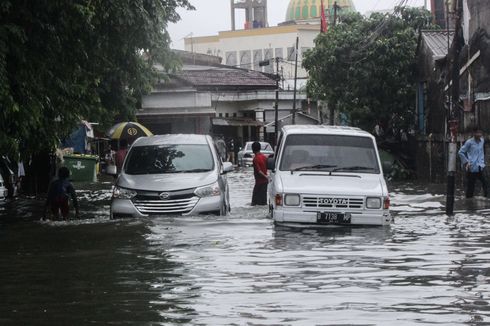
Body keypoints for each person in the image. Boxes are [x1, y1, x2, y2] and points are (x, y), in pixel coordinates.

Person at [458, 128, 488, 198]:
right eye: (477, 133)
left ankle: (487, 199)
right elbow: (460, 152)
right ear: (473, 133)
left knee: (486, 183)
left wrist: (483, 162)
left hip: (481, 166)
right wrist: (466, 162)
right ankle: (469, 203)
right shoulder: (469, 142)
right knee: (470, 188)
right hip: (472, 168)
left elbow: (482, 151)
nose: (479, 134)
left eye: (480, 133)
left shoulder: (482, 141)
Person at [251, 141, 269, 206]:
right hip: (265, 182)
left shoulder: (255, 159)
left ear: (253, 149)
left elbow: (259, 171)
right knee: (264, 202)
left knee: (254, 203)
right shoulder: (264, 157)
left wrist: (265, 176)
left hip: (259, 183)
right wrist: (267, 177)